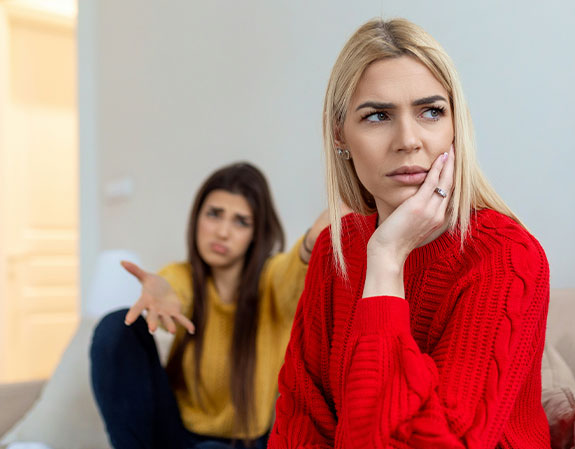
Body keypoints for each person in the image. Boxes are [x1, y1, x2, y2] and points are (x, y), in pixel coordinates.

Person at [269, 18, 551, 449]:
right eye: (378, 115)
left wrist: (385, 262)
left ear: (456, 127)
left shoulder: (507, 257)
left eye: (431, 111)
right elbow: (299, 429)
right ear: (339, 133)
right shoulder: (335, 252)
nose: (408, 139)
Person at [90, 162, 331, 449]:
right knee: (116, 326)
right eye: (214, 215)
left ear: (255, 233)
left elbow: (292, 270)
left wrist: (310, 244)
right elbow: (174, 287)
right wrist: (164, 292)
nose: (222, 232)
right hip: (176, 433)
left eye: (240, 221)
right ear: (197, 219)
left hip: (249, 442)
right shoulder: (182, 276)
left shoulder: (272, 279)